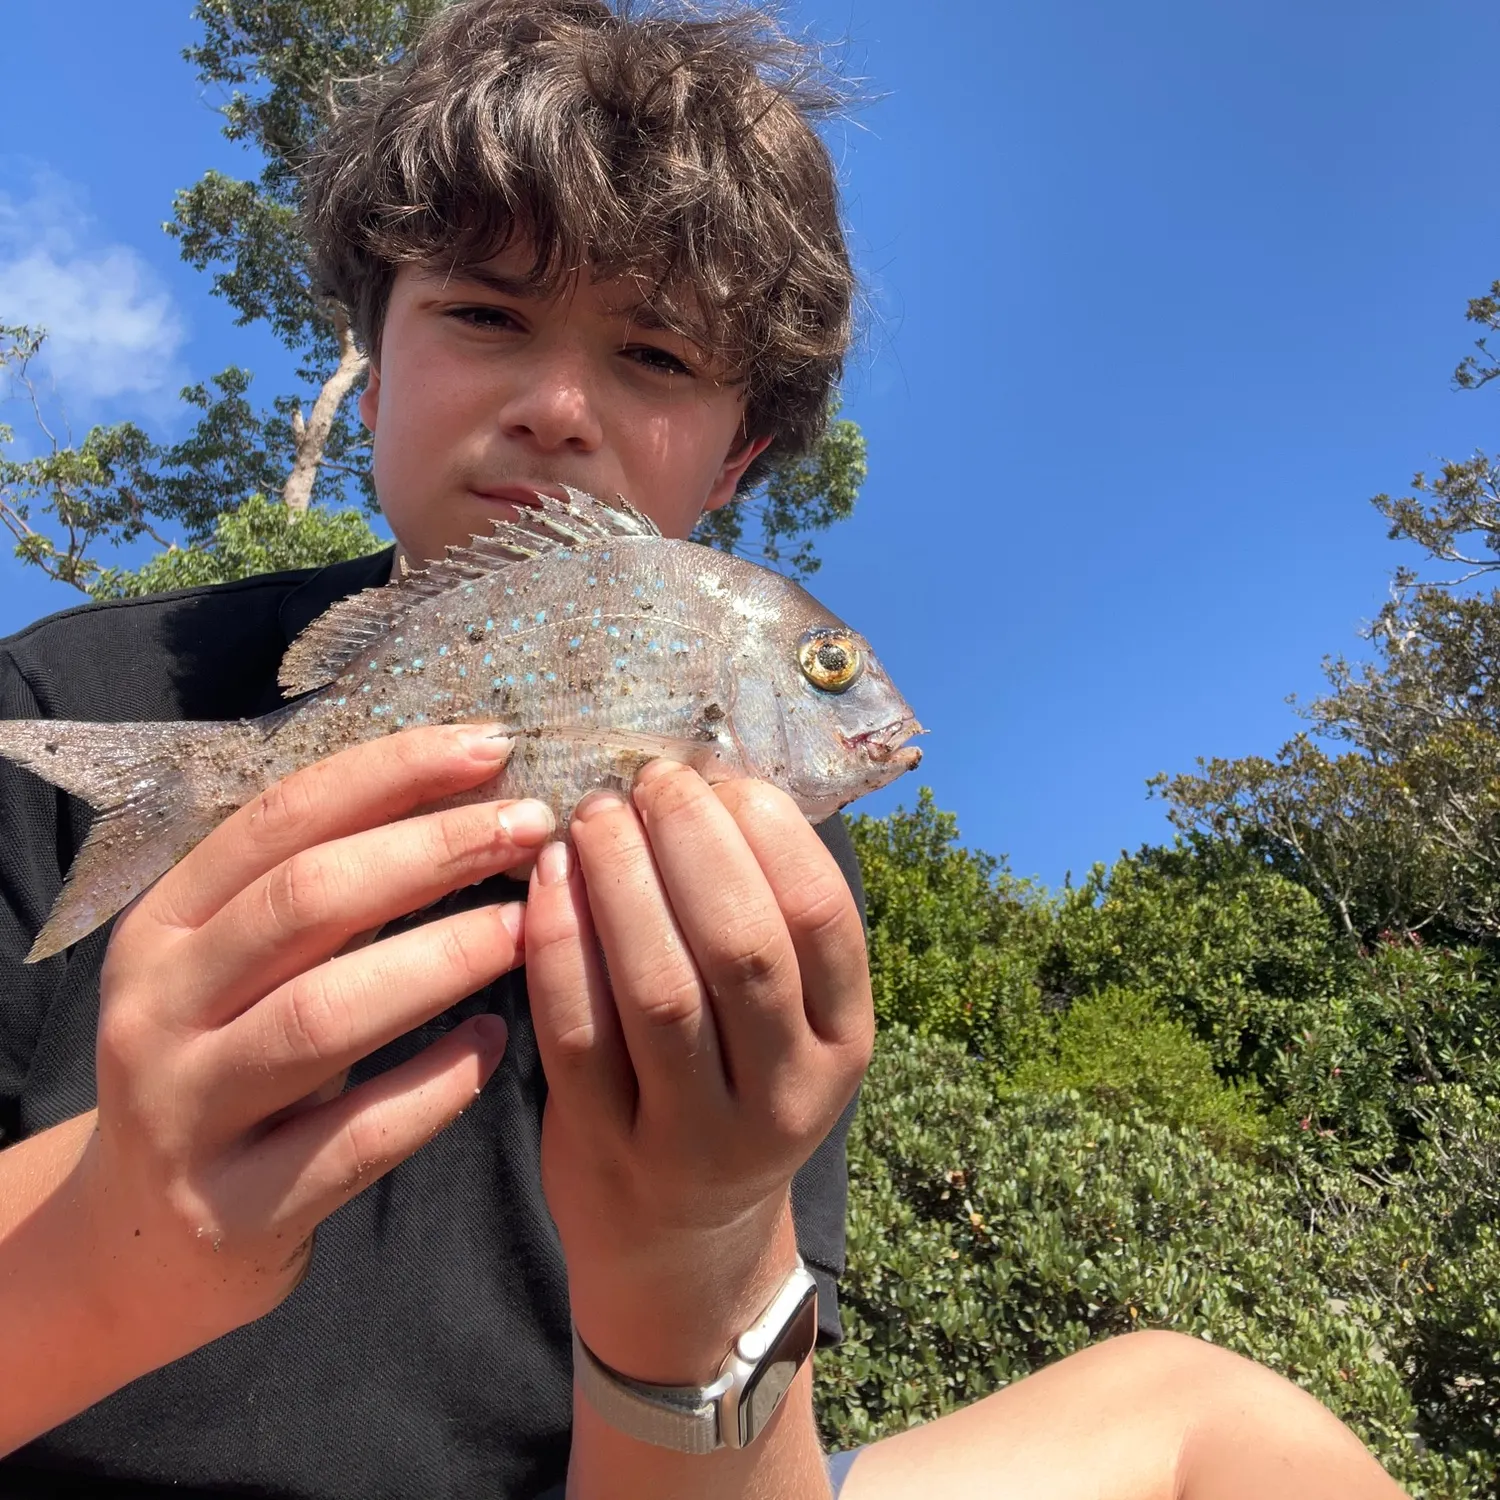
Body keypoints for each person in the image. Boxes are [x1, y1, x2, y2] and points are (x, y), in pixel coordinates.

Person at [0, 2, 1409, 1496]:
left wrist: (702, 1267)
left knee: (1228, 1428)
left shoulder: (764, 883)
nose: (555, 410)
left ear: (736, 456)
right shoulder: (66, 695)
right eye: (483, 314)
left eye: (657, 356)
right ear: (375, 344)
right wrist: (116, 1227)